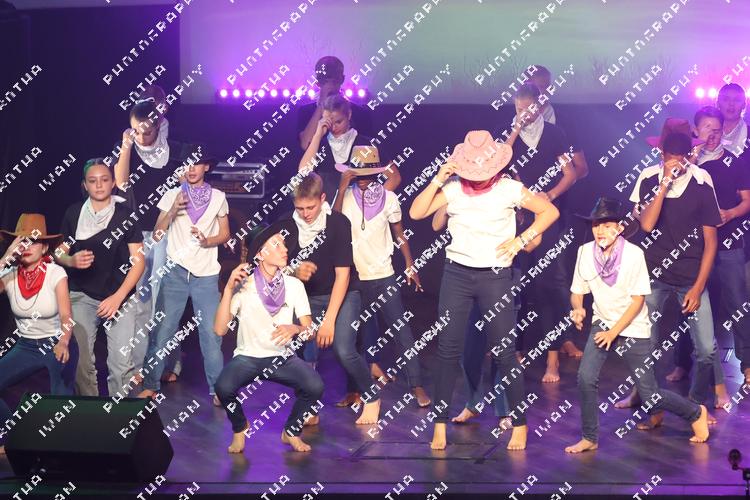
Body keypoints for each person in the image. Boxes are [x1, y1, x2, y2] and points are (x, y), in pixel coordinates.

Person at [409, 130, 559, 451]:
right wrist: (437, 178)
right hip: (457, 275)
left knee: (505, 352)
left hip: (495, 277)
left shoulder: (509, 188)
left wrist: (521, 240)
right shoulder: (453, 188)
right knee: (448, 351)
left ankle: (519, 424)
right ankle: (439, 425)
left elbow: (550, 211)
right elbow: (416, 213)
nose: (477, 177)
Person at [564, 198, 709, 453]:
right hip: (602, 323)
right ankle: (590, 437)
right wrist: (578, 308)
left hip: (633, 327)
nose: (600, 231)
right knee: (585, 378)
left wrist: (614, 332)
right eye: (596, 225)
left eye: (606, 225)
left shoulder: (633, 254)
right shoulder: (585, 252)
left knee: (649, 394)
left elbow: (638, 300)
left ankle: (695, 412)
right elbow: (577, 291)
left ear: (619, 228)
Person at [621, 123, 723, 421]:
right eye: (669, 159)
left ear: (689, 157)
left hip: (690, 277)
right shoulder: (648, 178)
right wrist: (664, 183)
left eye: (681, 159)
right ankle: (651, 404)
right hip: (653, 275)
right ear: (661, 156)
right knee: (646, 344)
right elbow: (647, 224)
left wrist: (698, 287)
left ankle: (695, 406)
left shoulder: (702, 181)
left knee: (706, 349)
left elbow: (711, 241)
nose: (676, 165)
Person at [331, 145, 431, 407]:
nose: (362, 179)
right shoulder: (345, 196)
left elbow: (400, 234)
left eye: (367, 174)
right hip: (354, 278)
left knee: (401, 331)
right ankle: (354, 391)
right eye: (358, 174)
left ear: (376, 174)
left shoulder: (389, 198)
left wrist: (410, 264)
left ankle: (417, 385)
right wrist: (342, 187)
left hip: (384, 274)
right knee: (353, 336)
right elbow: (334, 223)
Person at [214, 220, 324, 454]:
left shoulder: (294, 285)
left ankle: (291, 431)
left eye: (283, 244)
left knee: (315, 386)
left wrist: (296, 329)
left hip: (282, 358)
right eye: (276, 245)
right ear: (260, 254)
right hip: (248, 358)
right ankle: (240, 427)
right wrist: (228, 290)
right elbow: (220, 330)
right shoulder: (244, 285)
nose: (284, 249)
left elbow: (310, 331)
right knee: (223, 387)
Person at [137, 144, 229, 405]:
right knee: (162, 331)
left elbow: (225, 234)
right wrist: (173, 210)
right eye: (187, 164)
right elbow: (157, 234)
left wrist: (208, 240)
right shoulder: (172, 195)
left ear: (206, 167)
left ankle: (217, 390)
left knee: (211, 335)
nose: (192, 169)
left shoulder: (219, 197)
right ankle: (150, 385)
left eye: (197, 163)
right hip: (175, 273)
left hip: (206, 275)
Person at [287, 172, 381, 424]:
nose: (305, 213)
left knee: (344, 349)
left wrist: (329, 321)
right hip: (307, 297)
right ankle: (309, 407)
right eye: (300, 208)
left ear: (322, 199)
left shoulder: (338, 223)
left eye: (310, 207)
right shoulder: (288, 225)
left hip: (344, 293)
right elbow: (275, 266)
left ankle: (372, 397)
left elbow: (343, 275)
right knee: (304, 353)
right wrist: (294, 270)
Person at [502, 83, 580, 383]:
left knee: (549, 287)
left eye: (529, 108)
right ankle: (516, 349)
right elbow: (500, 162)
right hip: (518, 218)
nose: (524, 114)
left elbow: (570, 173)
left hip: (548, 218)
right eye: (518, 109)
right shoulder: (507, 135)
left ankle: (552, 360)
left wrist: (550, 195)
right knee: (516, 285)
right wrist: (514, 130)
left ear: (540, 106)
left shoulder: (554, 134)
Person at [670, 107, 750, 390]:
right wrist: (690, 161)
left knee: (737, 303)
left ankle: (747, 365)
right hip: (693, 246)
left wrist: (731, 213)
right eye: (707, 129)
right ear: (696, 131)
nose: (713, 135)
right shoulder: (685, 164)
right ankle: (682, 363)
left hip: (728, 244)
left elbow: (747, 200)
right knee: (689, 302)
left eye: (717, 129)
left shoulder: (735, 162)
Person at [56, 160, 145, 396]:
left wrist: (118, 298)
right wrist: (70, 260)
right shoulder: (74, 213)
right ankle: (91, 413)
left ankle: (120, 415)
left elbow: (139, 262)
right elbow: (58, 252)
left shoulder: (126, 214)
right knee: (81, 362)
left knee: (121, 364)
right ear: (84, 185)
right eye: (92, 181)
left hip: (120, 296)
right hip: (82, 294)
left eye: (104, 179)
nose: (99, 185)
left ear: (113, 183)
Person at [112, 98, 185, 385]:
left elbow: (182, 192)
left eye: (147, 131)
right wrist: (126, 146)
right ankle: (144, 363)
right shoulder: (129, 148)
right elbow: (121, 183)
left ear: (158, 126)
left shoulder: (173, 150)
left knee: (162, 298)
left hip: (165, 232)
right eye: (136, 131)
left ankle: (170, 360)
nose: (142, 137)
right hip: (136, 235)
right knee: (141, 299)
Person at [0, 214, 78, 456]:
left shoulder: (55, 272)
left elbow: (66, 316)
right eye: (22, 241)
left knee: (60, 402)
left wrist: (64, 341)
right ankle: (14, 437)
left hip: (57, 341)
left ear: (44, 247)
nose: (27, 247)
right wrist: (4, 259)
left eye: (33, 242)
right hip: (26, 346)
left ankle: (62, 451)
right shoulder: (9, 274)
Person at [298, 93, 400, 204]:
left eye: (338, 121)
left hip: (359, 213)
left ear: (349, 115)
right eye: (329, 122)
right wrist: (317, 135)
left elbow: (394, 177)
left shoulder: (366, 144)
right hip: (327, 212)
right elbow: (303, 173)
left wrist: (373, 204)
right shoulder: (319, 146)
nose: (334, 127)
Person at [298, 56, 374, 150]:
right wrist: (321, 104)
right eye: (325, 81)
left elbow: (368, 149)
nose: (330, 86)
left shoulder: (360, 113)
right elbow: (305, 145)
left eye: (334, 80)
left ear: (342, 79)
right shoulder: (305, 112)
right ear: (318, 82)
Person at [717, 83, 748, 156]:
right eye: (726, 99)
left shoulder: (748, 134)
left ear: (744, 105)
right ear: (718, 103)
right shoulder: (706, 133)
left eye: (737, 100)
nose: (731, 104)